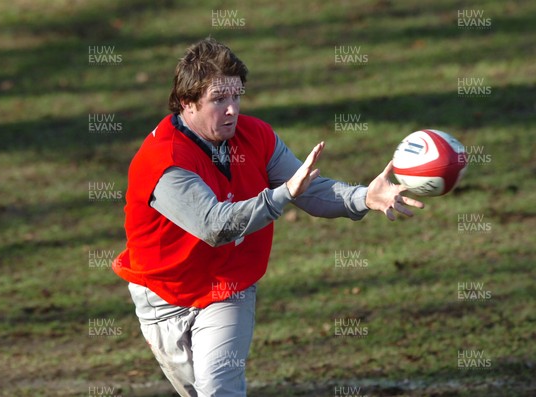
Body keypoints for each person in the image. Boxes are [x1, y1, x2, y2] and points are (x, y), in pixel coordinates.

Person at [112, 38, 424, 396]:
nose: (232, 110)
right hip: (163, 300)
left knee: (220, 392)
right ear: (187, 103)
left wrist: (363, 197)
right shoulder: (163, 160)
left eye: (236, 97)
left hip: (227, 288)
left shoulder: (256, 136)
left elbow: (309, 191)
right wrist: (282, 194)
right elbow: (216, 225)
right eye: (218, 100)